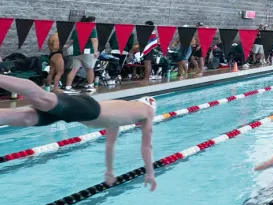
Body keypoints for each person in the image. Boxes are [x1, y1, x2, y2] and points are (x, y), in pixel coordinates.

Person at [0, 74, 157, 190]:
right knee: (43, 99)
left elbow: (110, 146)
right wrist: (150, 173)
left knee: (27, 118)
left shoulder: (118, 120)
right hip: (87, 108)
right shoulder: (147, 110)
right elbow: (146, 147)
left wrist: (109, 171)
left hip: (78, 114)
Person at [64, 16, 98, 93]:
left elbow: (71, 41)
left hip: (76, 52)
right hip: (87, 52)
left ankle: (68, 87)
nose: (95, 24)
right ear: (92, 22)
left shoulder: (76, 30)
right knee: (90, 69)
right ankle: (89, 85)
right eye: (95, 22)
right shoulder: (92, 29)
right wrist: (95, 51)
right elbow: (94, 40)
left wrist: (67, 46)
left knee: (74, 70)